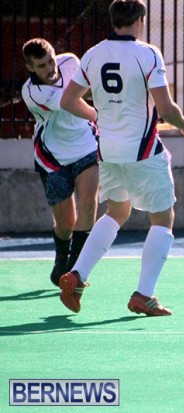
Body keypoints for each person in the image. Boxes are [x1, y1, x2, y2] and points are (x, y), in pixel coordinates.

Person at [59, 0, 184, 316]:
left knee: (117, 211)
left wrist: (98, 116)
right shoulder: (147, 54)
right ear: (140, 20)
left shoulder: (93, 54)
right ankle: (144, 294)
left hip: (108, 151)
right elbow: (166, 109)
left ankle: (77, 275)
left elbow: (67, 101)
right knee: (162, 217)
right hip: (143, 152)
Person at [21, 38, 99, 287]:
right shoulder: (32, 93)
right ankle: (62, 257)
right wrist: (103, 117)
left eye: (51, 60)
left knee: (89, 204)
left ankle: (75, 273)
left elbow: (88, 88)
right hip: (53, 158)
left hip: (86, 146)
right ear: (30, 68)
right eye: (42, 66)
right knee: (66, 224)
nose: (50, 68)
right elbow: (71, 103)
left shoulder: (70, 61)